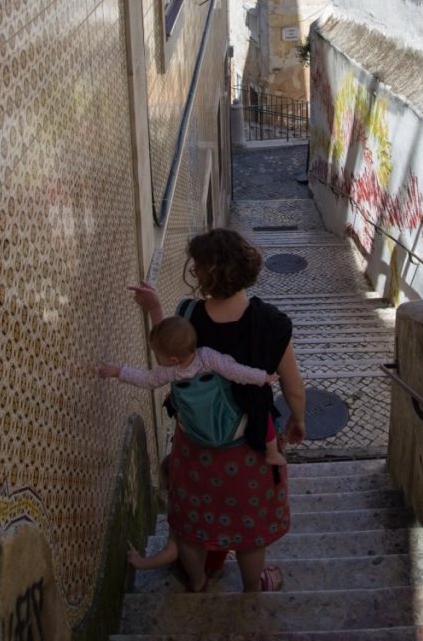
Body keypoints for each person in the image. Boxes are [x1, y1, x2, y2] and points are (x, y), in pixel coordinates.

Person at [129, 228, 306, 594]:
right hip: (252, 448)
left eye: (195, 268)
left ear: (206, 274)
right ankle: (253, 589)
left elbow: (169, 357)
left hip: (195, 448)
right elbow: (293, 388)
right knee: (250, 534)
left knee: (192, 526)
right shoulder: (272, 324)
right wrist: (298, 421)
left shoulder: (188, 314)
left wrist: (155, 310)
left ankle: (197, 582)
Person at [99, 314, 286, 466]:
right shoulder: (207, 357)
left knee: (174, 400)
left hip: (193, 430)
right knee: (261, 406)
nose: (156, 358)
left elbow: (146, 380)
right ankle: (272, 452)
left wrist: (119, 372)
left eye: (158, 355)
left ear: (172, 360)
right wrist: (262, 377)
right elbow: (236, 371)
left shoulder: (170, 372)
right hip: (229, 422)